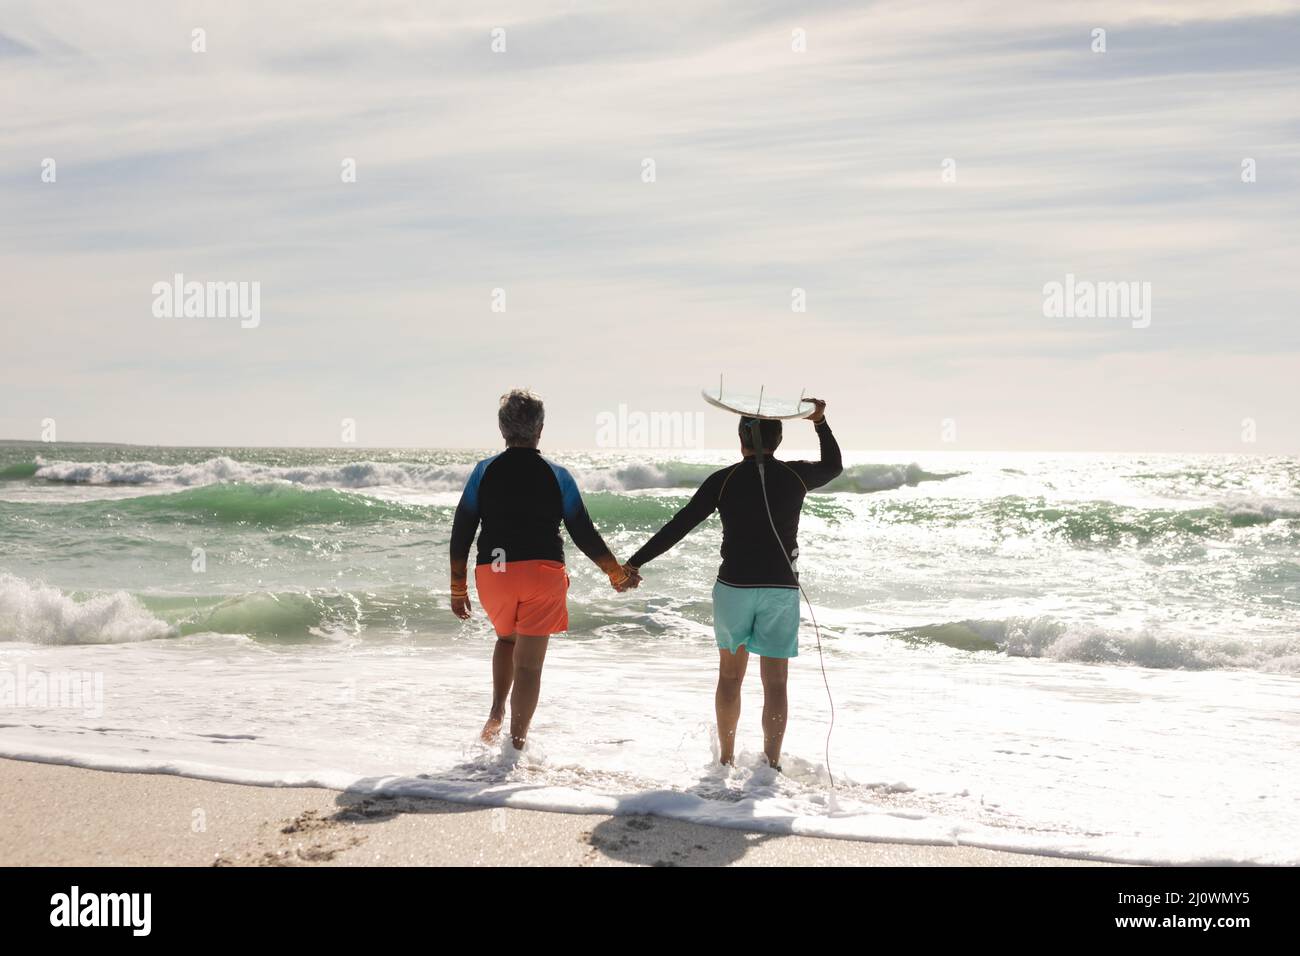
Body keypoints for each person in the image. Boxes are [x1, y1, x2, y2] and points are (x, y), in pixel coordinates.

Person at [624, 399, 841, 769]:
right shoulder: (795, 476)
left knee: (730, 676)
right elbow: (834, 466)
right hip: (780, 590)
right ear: (778, 439)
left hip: (734, 589)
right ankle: (770, 766)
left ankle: (725, 760)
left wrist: (634, 563)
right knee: (775, 683)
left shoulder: (723, 480)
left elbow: (680, 525)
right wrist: (820, 422)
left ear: (742, 440)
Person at [449, 389, 638, 750]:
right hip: (542, 572)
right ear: (541, 429)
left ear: (502, 429)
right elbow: (583, 531)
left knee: (506, 639)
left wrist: (458, 587)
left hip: (496, 570)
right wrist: (615, 572)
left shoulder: (483, 472)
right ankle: (515, 746)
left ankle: (495, 713)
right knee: (530, 667)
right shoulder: (558, 475)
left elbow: (462, 531)